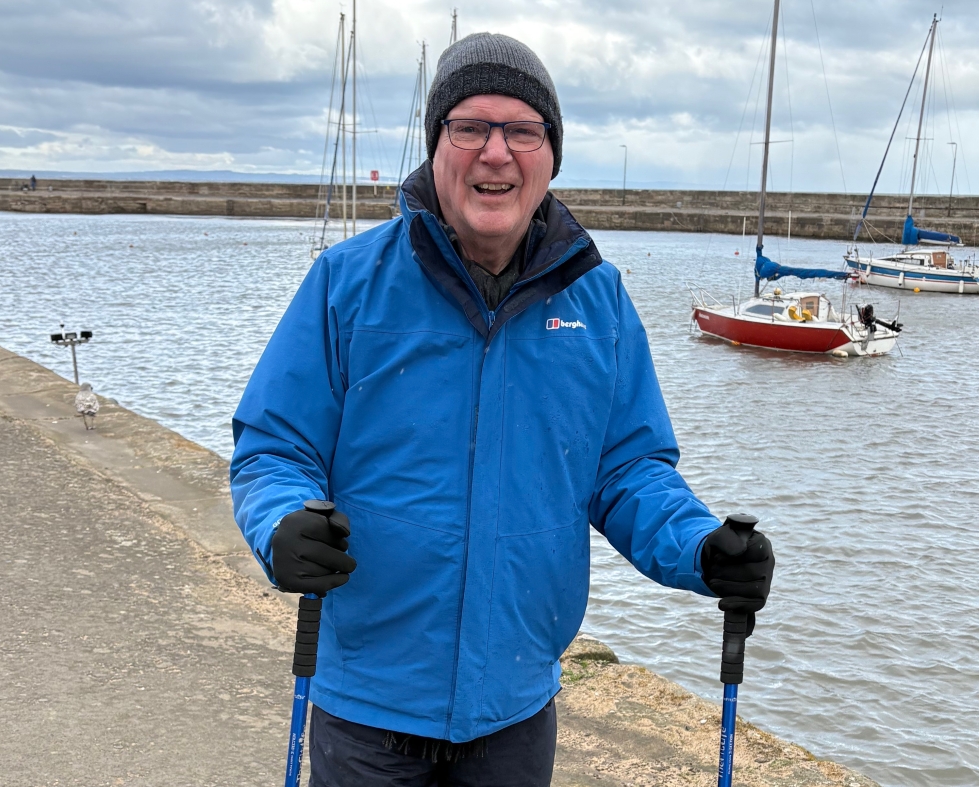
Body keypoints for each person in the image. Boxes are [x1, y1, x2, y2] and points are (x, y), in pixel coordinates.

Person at [231, 32, 774, 787]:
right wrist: (281, 522)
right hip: (366, 712)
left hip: (514, 713)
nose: (496, 152)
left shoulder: (601, 300)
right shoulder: (346, 283)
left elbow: (626, 471)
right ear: (436, 147)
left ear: (550, 155)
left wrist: (701, 547)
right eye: (470, 127)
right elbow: (273, 448)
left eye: (522, 130)